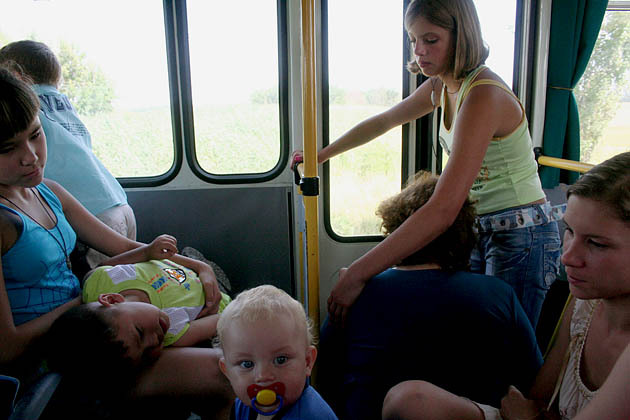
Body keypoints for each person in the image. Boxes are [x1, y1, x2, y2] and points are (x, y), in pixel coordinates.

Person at [295, 0, 561, 328]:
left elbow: (443, 209)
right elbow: (385, 121)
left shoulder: (483, 95)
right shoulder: (441, 87)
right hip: (480, 231)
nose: (419, 50)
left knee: (503, 346)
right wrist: (321, 155)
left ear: (462, 37)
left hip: (521, 235)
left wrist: (358, 274)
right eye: (413, 39)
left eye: (430, 40)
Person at [0, 68, 233, 418]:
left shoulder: (49, 193)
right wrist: (87, 302)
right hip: (61, 362)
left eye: (35, 135)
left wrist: (198, 268)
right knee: (227, 374)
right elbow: (8, 346)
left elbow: (125, 249)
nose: (30, 156)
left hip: (96, 329)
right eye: (9, 149)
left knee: (228, 360)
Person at [381, 152, 630, 420]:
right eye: (569, 231)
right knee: (408, 400)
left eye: (596, 244)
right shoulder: (584, 303)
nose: (567, 257)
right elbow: (538, 398)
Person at [318, 171, 542, 420]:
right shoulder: (499, 295)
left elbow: (324, 375)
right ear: (466, 237)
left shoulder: (353, 295)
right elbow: (531, 381)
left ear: (396, 234)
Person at [0, 40, 136, 269]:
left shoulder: (20, 108)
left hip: (92, 214)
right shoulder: (64, 105)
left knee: (100, 284)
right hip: (118, 203)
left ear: (16, 76)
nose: (31, 157)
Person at [48, 233, 231, 373]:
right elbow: (224, 318)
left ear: (112, 299)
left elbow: (111, 264)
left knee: (189, 255)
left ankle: (197, 261)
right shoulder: (174, 332)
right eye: (147, 353)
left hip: (182, 267)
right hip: (215, 296)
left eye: (139, 331)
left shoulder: (99, 283)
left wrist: (147, 251)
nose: (155, 340)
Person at [217, 285, 338, 420]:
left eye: (280, 360)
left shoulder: (313, 415)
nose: (263, 376)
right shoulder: (242, 407)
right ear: (227, 371)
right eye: (247, 364)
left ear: (307, 361)